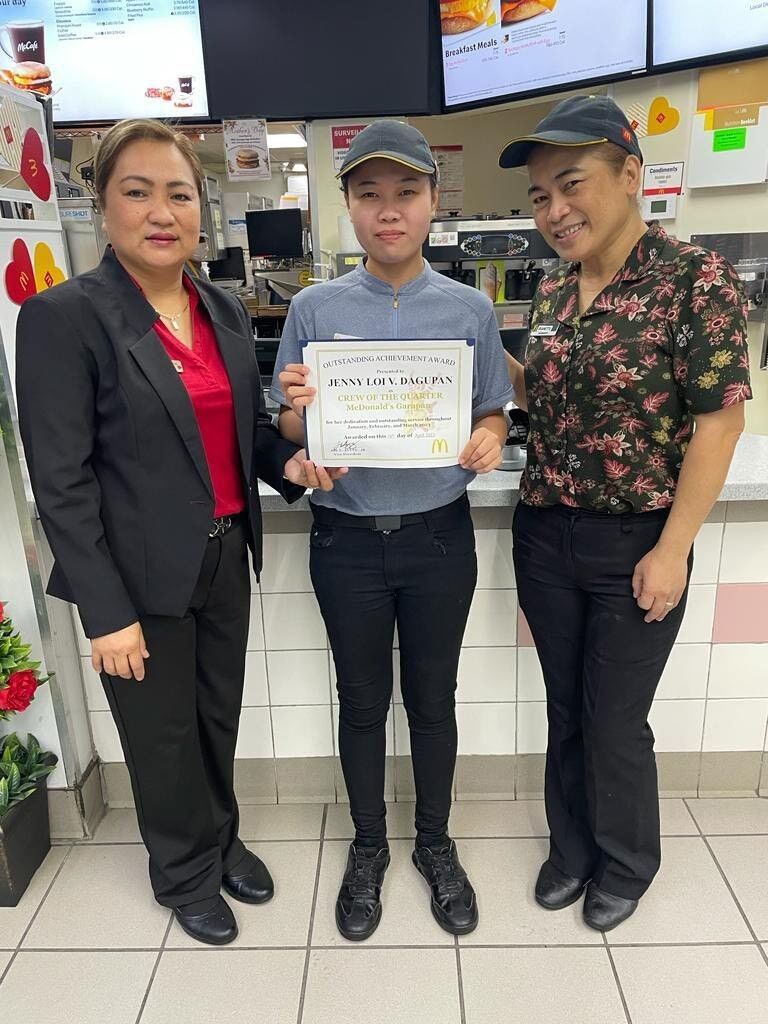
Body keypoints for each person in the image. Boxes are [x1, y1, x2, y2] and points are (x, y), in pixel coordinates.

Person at [15, 119, 342, 946]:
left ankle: (222, 841)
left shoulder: (221, 308)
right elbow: (61, 482)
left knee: (215, 717)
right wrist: (105, 613)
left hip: (224, 556)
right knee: (160, 738)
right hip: (135, 576)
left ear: (202, 208)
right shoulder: (64, 318)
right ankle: (184, 871)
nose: (162, 212)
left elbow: (243, 434)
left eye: (179, 194)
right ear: (103, 205)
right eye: (138, 192)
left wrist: (292, 463)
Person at [499, 96, 752, 931]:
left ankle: (627, 862)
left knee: (614, 718)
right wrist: (471, 361)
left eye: (571, 185)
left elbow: (720, 422)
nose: (554, 210)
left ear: (630, 173)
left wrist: (674, 549)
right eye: (540, 196)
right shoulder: (552, 288)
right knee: (565, 708)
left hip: (638, 538)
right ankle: (571, 850)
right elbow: (544, 397)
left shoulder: (693, 279)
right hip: (544, 532)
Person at [274, 120, 514, 941]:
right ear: (347, 205)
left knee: (434, 700)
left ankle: (435, 843)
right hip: (345, 540)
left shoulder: (469, 309)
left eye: (406, 192)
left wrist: (490, 437)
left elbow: (492, 409)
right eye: (370, 194)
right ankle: (370, 846)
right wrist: (298, 420)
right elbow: (289, 425)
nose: (388, 210)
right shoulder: (314, 307)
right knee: (362, 702)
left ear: (432, 200)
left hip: (439, 536)